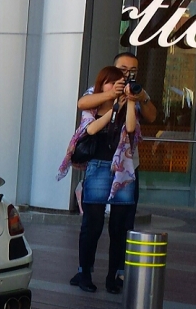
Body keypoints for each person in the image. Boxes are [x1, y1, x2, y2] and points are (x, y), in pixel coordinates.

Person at [58, 66, 142, 294]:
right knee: (92, 225)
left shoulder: (127, 106)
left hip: (122, 170)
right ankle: (84, 272)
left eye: (118, 82)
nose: (114, 86)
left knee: (119, 227)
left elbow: (132, 128)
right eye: (109, 82)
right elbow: (92, 129)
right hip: (97, 167)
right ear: (102, 85)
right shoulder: (93, 107)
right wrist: (113, 107)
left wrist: (131, 101)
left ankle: (113, 275)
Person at [78, 53, 157, 124]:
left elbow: (152, 118)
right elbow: (82, 103)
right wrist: (111, 94)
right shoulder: (105, 87)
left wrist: (143, 98)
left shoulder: (135, 90)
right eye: (123, 70)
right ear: (114, 69)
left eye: (133, 71)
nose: (127, 74)